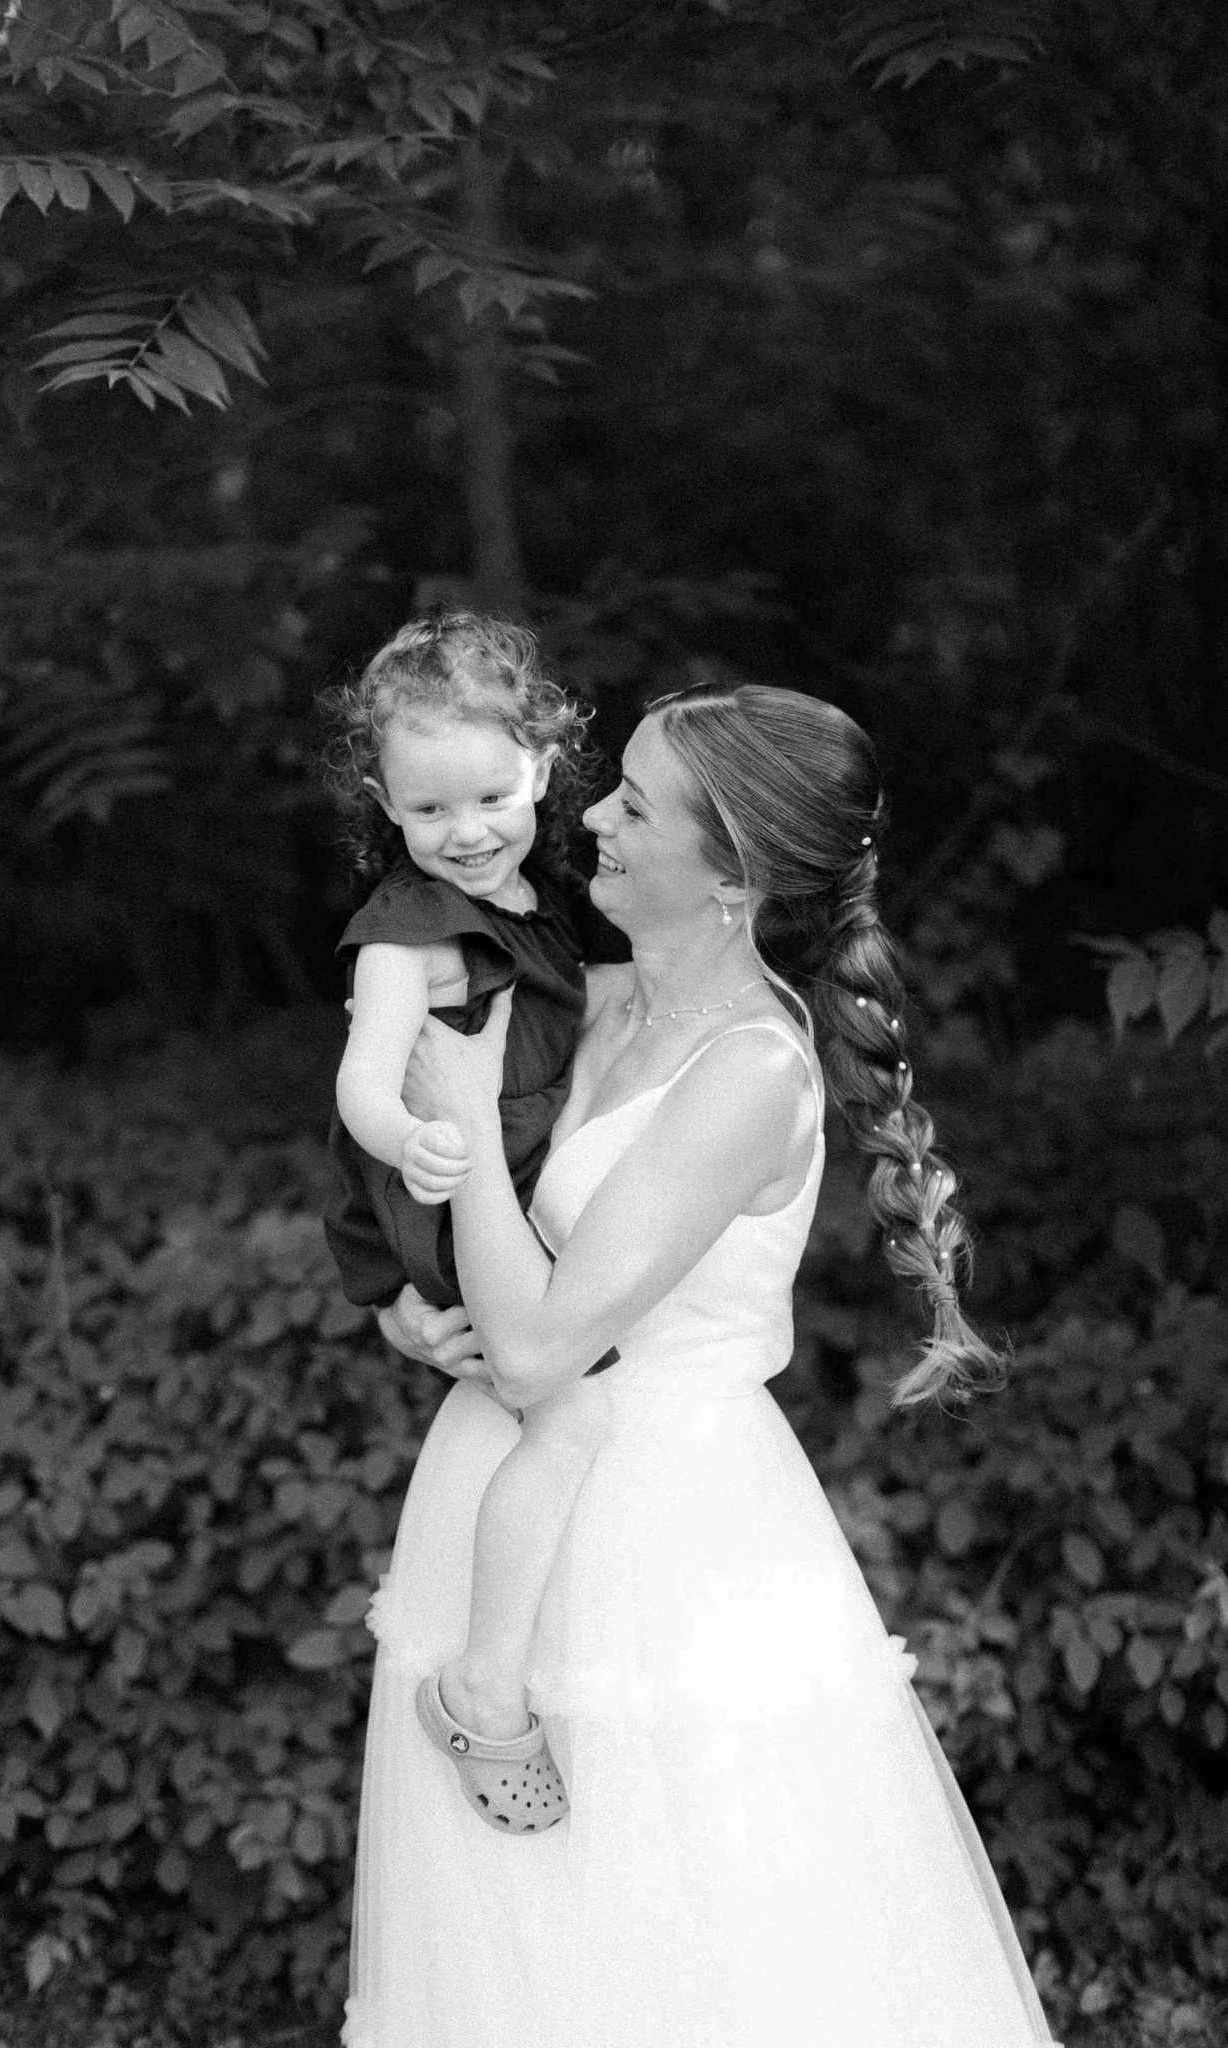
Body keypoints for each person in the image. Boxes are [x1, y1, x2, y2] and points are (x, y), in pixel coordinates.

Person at [342, 680, 1060, 2048]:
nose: (591, 816)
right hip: (499, 1491)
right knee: (515, 1948)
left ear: (729, 874)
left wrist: (471, 1138)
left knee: (676, 1938)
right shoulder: (591, 1000)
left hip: (662, 1538)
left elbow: (553, 1341)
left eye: (633, 804)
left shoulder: (749, 1073)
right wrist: (410, 1311)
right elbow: (458, 1238)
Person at [323, 611, 614, 1828]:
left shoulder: (539, 890)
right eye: (429, 810)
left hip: (507, 1171)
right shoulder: (406, 931)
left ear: (544, 768)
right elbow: (361, 1080)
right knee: (573, 1411)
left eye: (491, 795)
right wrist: (420, 1139)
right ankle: (484, 1682)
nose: (466, 831)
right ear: (385, 803)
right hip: (443, 1193)